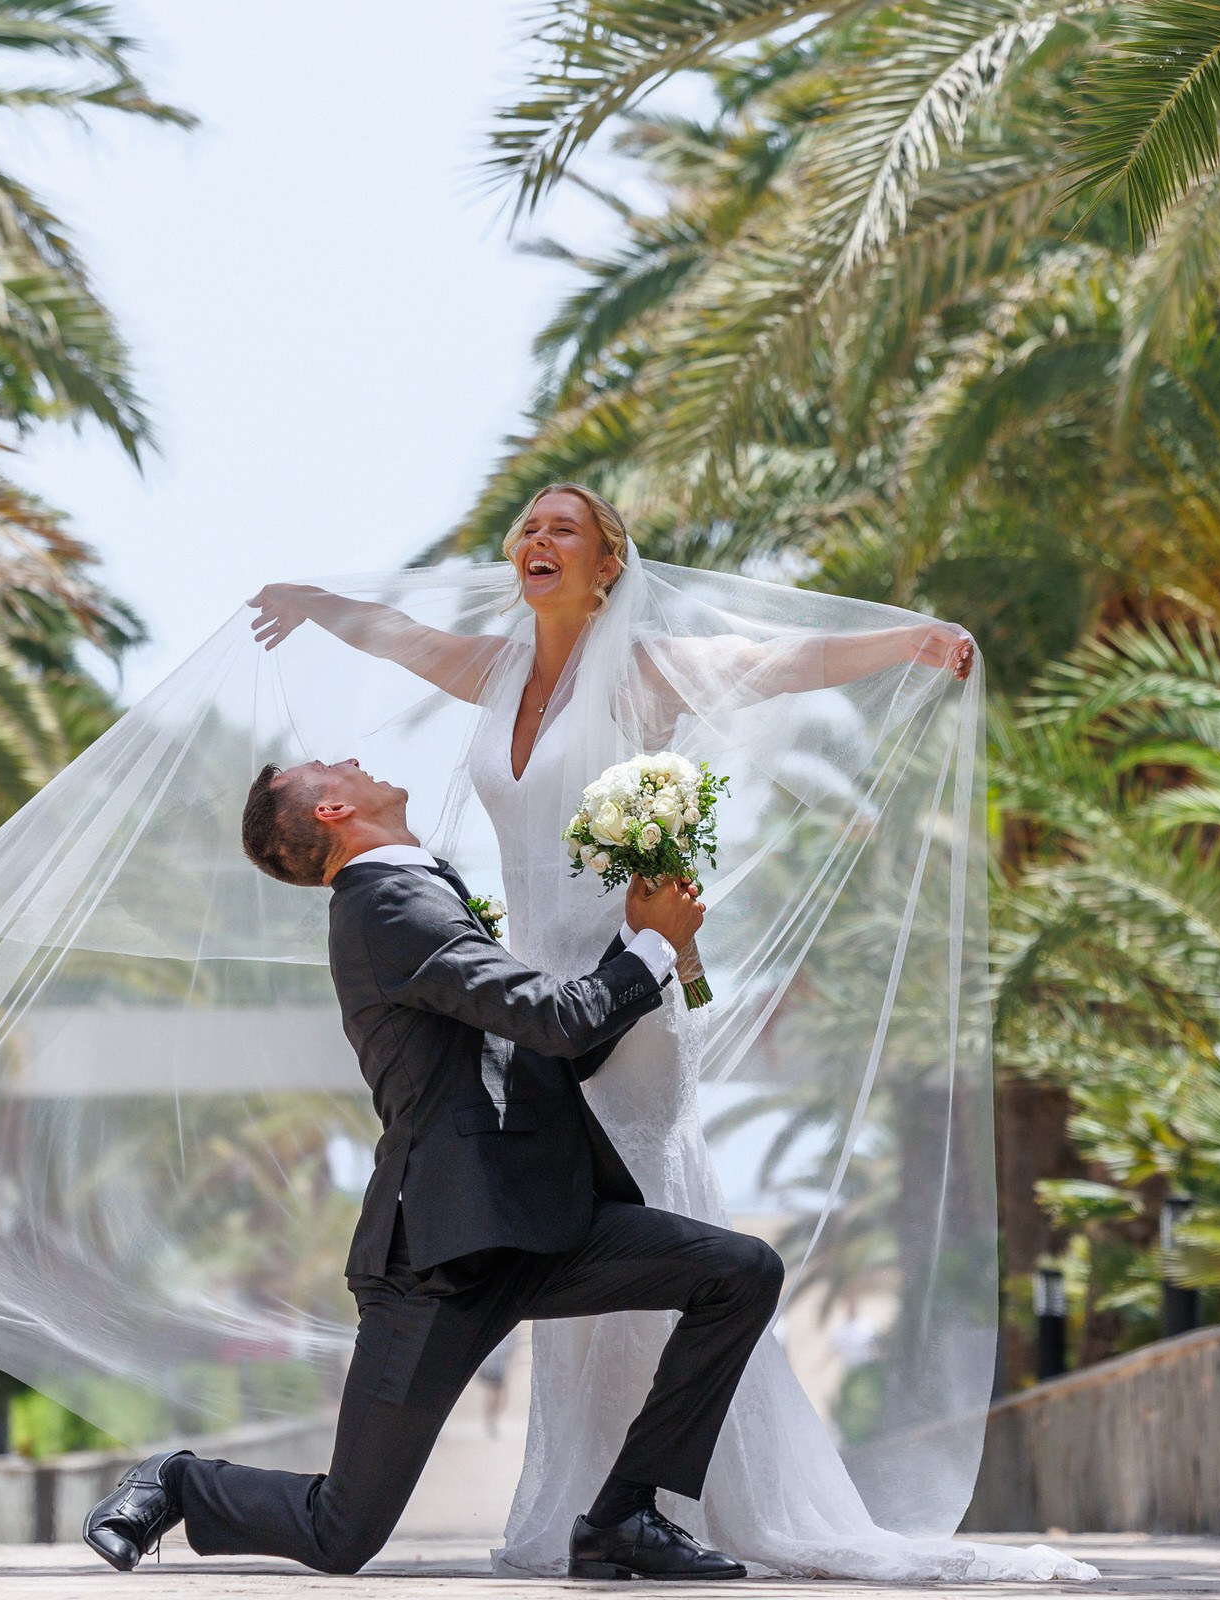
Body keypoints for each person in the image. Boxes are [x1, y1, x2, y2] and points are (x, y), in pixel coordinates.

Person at [245, 484, 1094, 1582]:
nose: (538, 541)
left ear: (606, 564)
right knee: (557, 1216)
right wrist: (316, 601)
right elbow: (399, 634)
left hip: (624, 992)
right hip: (531, 1001)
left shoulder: (643, 669)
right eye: (529, 529)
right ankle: (592, 1497)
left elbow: (780, 659)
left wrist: (912, 640)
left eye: (565, 529)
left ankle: (665, 1495)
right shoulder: (493, 671)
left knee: (646, 1209)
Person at [79, 755, 780, 1580]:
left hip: (541, 1223)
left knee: (738, 1272)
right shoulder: (386, 905)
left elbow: (539, 1052)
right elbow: (554, 1022)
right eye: (330, 766)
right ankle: (180, 1481)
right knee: (344, 1532)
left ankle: (623, 1516)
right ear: (334, 808)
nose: (351, 759)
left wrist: (636, 941)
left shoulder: (419, 892)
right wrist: (658, 946)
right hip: (442, 1249)